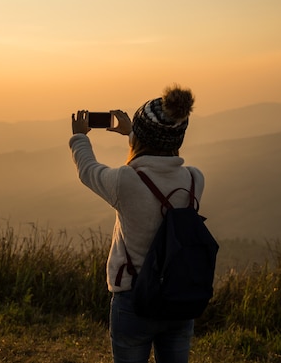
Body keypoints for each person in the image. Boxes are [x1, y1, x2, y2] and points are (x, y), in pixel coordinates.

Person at [69, 85, 204, 363]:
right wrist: (133, 133)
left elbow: (88, 170)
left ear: (143, 135)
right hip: (180, 299)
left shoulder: (125, 182)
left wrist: (80, 137)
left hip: (134, 300)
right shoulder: (193, 180)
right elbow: (159, 157)